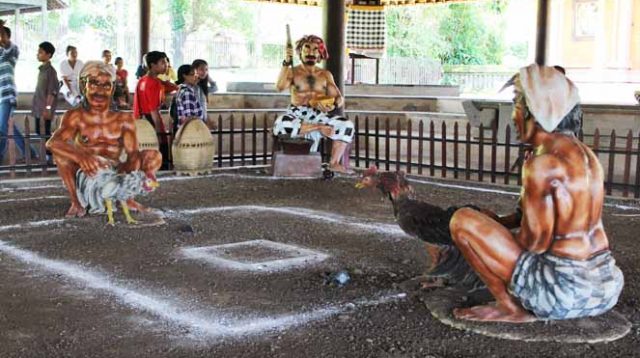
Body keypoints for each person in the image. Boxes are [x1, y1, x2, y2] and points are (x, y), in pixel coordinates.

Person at [449, 64, 623, 323]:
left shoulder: (542, 164)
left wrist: (486, 236)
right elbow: (557, 224)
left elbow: (534, 244)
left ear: (536, 109)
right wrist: (497, 222)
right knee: (482, 223)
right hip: (605, 287)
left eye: (516, 104)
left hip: (563, 293)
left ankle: (508, 308)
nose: (513, 116)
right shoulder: (585, 156)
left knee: (462, 220)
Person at [46, 61, 161, 218]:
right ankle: (76, 203)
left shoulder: (124, 119)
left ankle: (128, 199)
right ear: (83, 84)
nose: (100, 90)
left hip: (115, 170)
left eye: (106, 85)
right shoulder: (75, 116)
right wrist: (81, 156)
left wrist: (132, 178)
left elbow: (133, 155)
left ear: (112, 89)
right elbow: (53, 142)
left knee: (153, 156)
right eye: (94, 83)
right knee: (61, 155)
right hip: (87, 172)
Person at [272, 34, 354, 173]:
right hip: (297, 114)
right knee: (281, 124)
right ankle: (318, 127)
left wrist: (332, 105)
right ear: (300, 51)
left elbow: (339, 98)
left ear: (320, 53)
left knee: (347, 125)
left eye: (315, 49)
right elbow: (279, 87)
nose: (311, 52)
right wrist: (286, 62)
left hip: (319, 114)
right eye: (307, 48)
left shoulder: (325, 74)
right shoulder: (292, 71)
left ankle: (334, 162)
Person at [0, 20, 36, 161]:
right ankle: (28, 153)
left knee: (3, 126)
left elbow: (4, 41)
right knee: (5, 126)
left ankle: (29, 152)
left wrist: (1, 27)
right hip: (1, 96)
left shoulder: (12, 51)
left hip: (7, 95)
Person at [133, 51, 170, 169]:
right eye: (163, 62)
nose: (166, 65)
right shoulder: (153, 83)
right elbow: (153, 111)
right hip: (152, 122)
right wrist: (159, 134)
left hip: (142, 123)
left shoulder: (142, 80)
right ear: (153, 65)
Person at [33, 41, 58, 143]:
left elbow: (52, 92)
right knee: (39, 131)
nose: (38, 54)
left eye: (41, 52)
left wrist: (48, 108)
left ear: (48, 55)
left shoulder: (51, 71)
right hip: (39, 106)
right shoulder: (42, 70)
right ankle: (48, 154)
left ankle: (50, 154)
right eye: (38, 51)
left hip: (45, 108)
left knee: (45, 132)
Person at [170, 64, 204, 133]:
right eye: (192, 74)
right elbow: (189, 118)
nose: (196, 77)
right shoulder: (187, 93)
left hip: (185, 131)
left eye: (196, 74)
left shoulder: (180, 89)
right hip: (190, 132)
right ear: (184, 76)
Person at [191, 59, 217, 127]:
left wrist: (208, 78)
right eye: (201, 69)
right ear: (194, 70)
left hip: (202, 120)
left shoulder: (202, 86)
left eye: (206, 70)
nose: (204, 72)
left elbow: (215, 88)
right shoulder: (192, 86)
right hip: (195, 122)